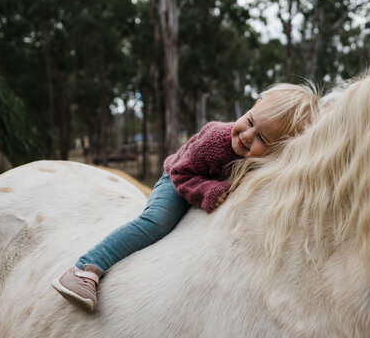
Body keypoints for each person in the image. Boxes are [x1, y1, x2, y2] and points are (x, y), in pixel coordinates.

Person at [51, 83, 321, 311]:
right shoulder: (217, 139)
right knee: (157, 221)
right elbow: (182, 174)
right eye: (249, 122)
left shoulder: (265, 162)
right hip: (180, 178)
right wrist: (207, 191)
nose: (247, 136)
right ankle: (86, 268)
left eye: (262, 137)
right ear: (254, 105)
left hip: (208, 186)